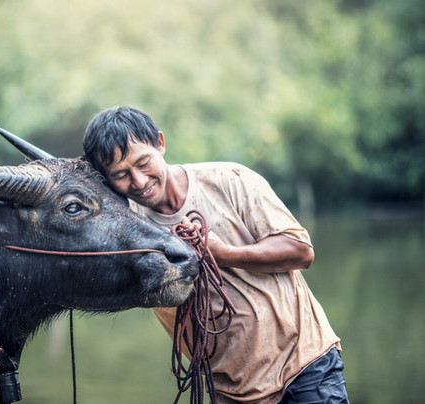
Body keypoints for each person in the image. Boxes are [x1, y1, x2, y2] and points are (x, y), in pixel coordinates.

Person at [82, 106, 349, 404]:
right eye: (121, 175)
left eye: (143, 163)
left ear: (160, 143)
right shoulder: (127, 227)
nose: (139, 181)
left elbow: (300, 251)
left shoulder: (231, 180)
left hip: (303, 364)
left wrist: (225, 254)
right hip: (230, 388)